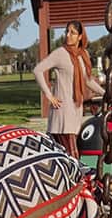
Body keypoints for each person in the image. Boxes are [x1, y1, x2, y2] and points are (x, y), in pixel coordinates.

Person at [34, 21, 104, 158]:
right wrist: (49, 95)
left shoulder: (83, 55)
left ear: (80, 36)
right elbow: (38, 70)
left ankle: (72, 178)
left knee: (69, 155)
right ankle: (75, 178)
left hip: (75, 110)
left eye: (72, 32)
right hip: (62, 112)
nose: (68, 35)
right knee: (71, 155)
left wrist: (105, 93)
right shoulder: (60, 53)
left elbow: (87, 80)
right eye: (67, 31)